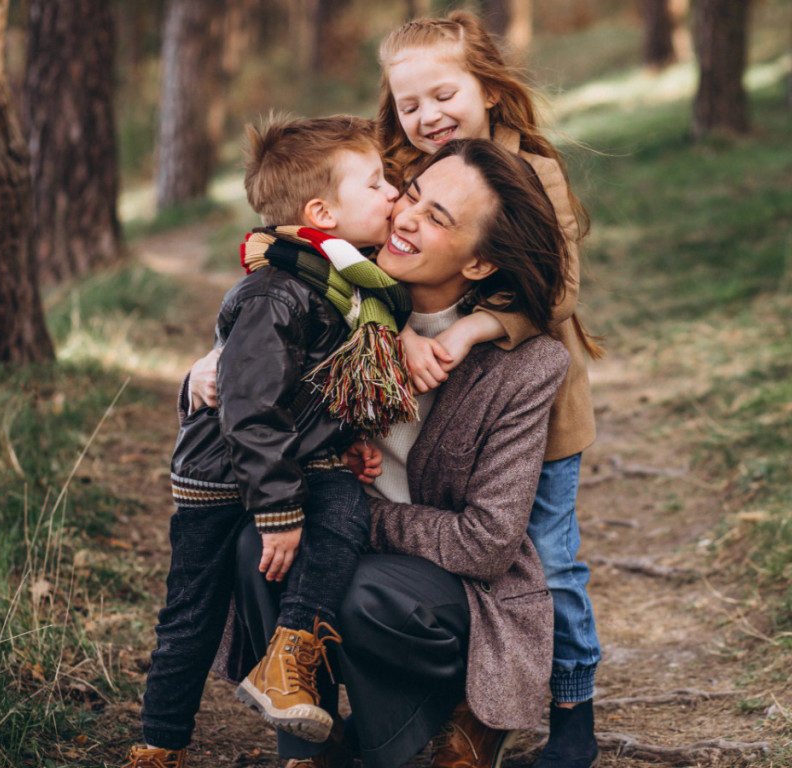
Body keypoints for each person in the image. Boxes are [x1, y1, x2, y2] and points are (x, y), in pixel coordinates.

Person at [203, 139, 569, 768]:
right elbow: (262, 301)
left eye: (437, 218)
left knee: (354, 584)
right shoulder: (340, 299)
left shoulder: (525, 366)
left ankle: (424, 729)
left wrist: (346, 522)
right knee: (257, 545)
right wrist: (208, 364)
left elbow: (485, 544)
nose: (405, 216)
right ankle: (306, 747)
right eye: (413, 195)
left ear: (480, 263)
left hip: (452, 589)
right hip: (345, 539)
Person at [127, 114, 406, 768]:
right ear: (321, 212)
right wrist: (277, 514)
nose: (394, 192)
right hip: (224, 475)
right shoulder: (278, 291)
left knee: (342, 514)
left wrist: (355, 433)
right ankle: (160, 739)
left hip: (299, 459)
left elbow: (320, 381)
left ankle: (291, 667)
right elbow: (251, 409)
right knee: (192, 611)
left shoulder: (345, 285)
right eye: (376, 183)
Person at [376, 13, 603, 768]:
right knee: (453, 543)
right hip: (448, 419)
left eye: (444, 95)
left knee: (550, 561)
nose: (427, 117)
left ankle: (573, 712)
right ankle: (464, 700)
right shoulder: (405, 174)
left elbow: (560, 291)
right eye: (410, 105)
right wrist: (402, 330)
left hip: (538, 416)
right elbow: (363, 257)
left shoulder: (533, 172)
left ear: (490, 90)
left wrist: (475, 329)